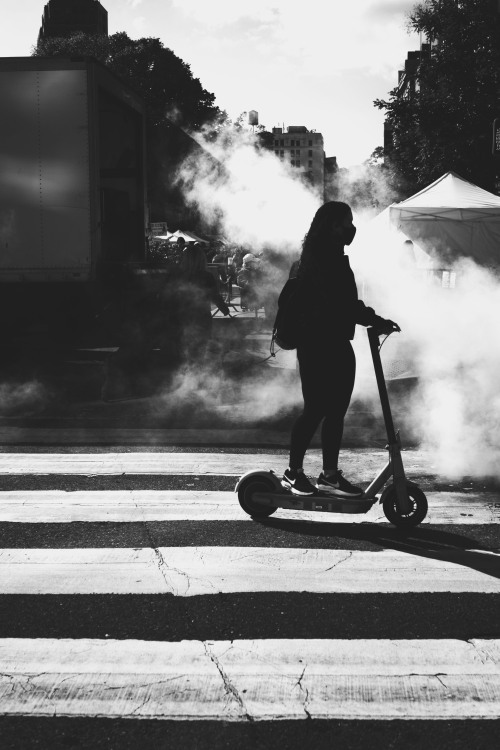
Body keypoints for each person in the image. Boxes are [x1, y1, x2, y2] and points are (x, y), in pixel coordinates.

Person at [281, 201, 400, 497]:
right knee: (318, 409)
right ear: (332, 226)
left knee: (333, 411)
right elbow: (343, 303)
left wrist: (372, 319)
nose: (351, 227)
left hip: (330, 343)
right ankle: (294, 472)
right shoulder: (323, 259)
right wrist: (376, 320)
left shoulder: (323, 256)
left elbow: (343, 303)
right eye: (347, 221)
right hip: (320, 344)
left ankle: (328, 475)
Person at [164, 243, 230, 363]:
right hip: (202, 319)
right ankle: (196, 375)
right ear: (201, 260)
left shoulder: (177, 276)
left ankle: (184, 376)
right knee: (199, 352)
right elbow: (215, 296)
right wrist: (225, 310)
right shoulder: (207, 277)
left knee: (183, 352)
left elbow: (169, 296)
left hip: (180, 319)